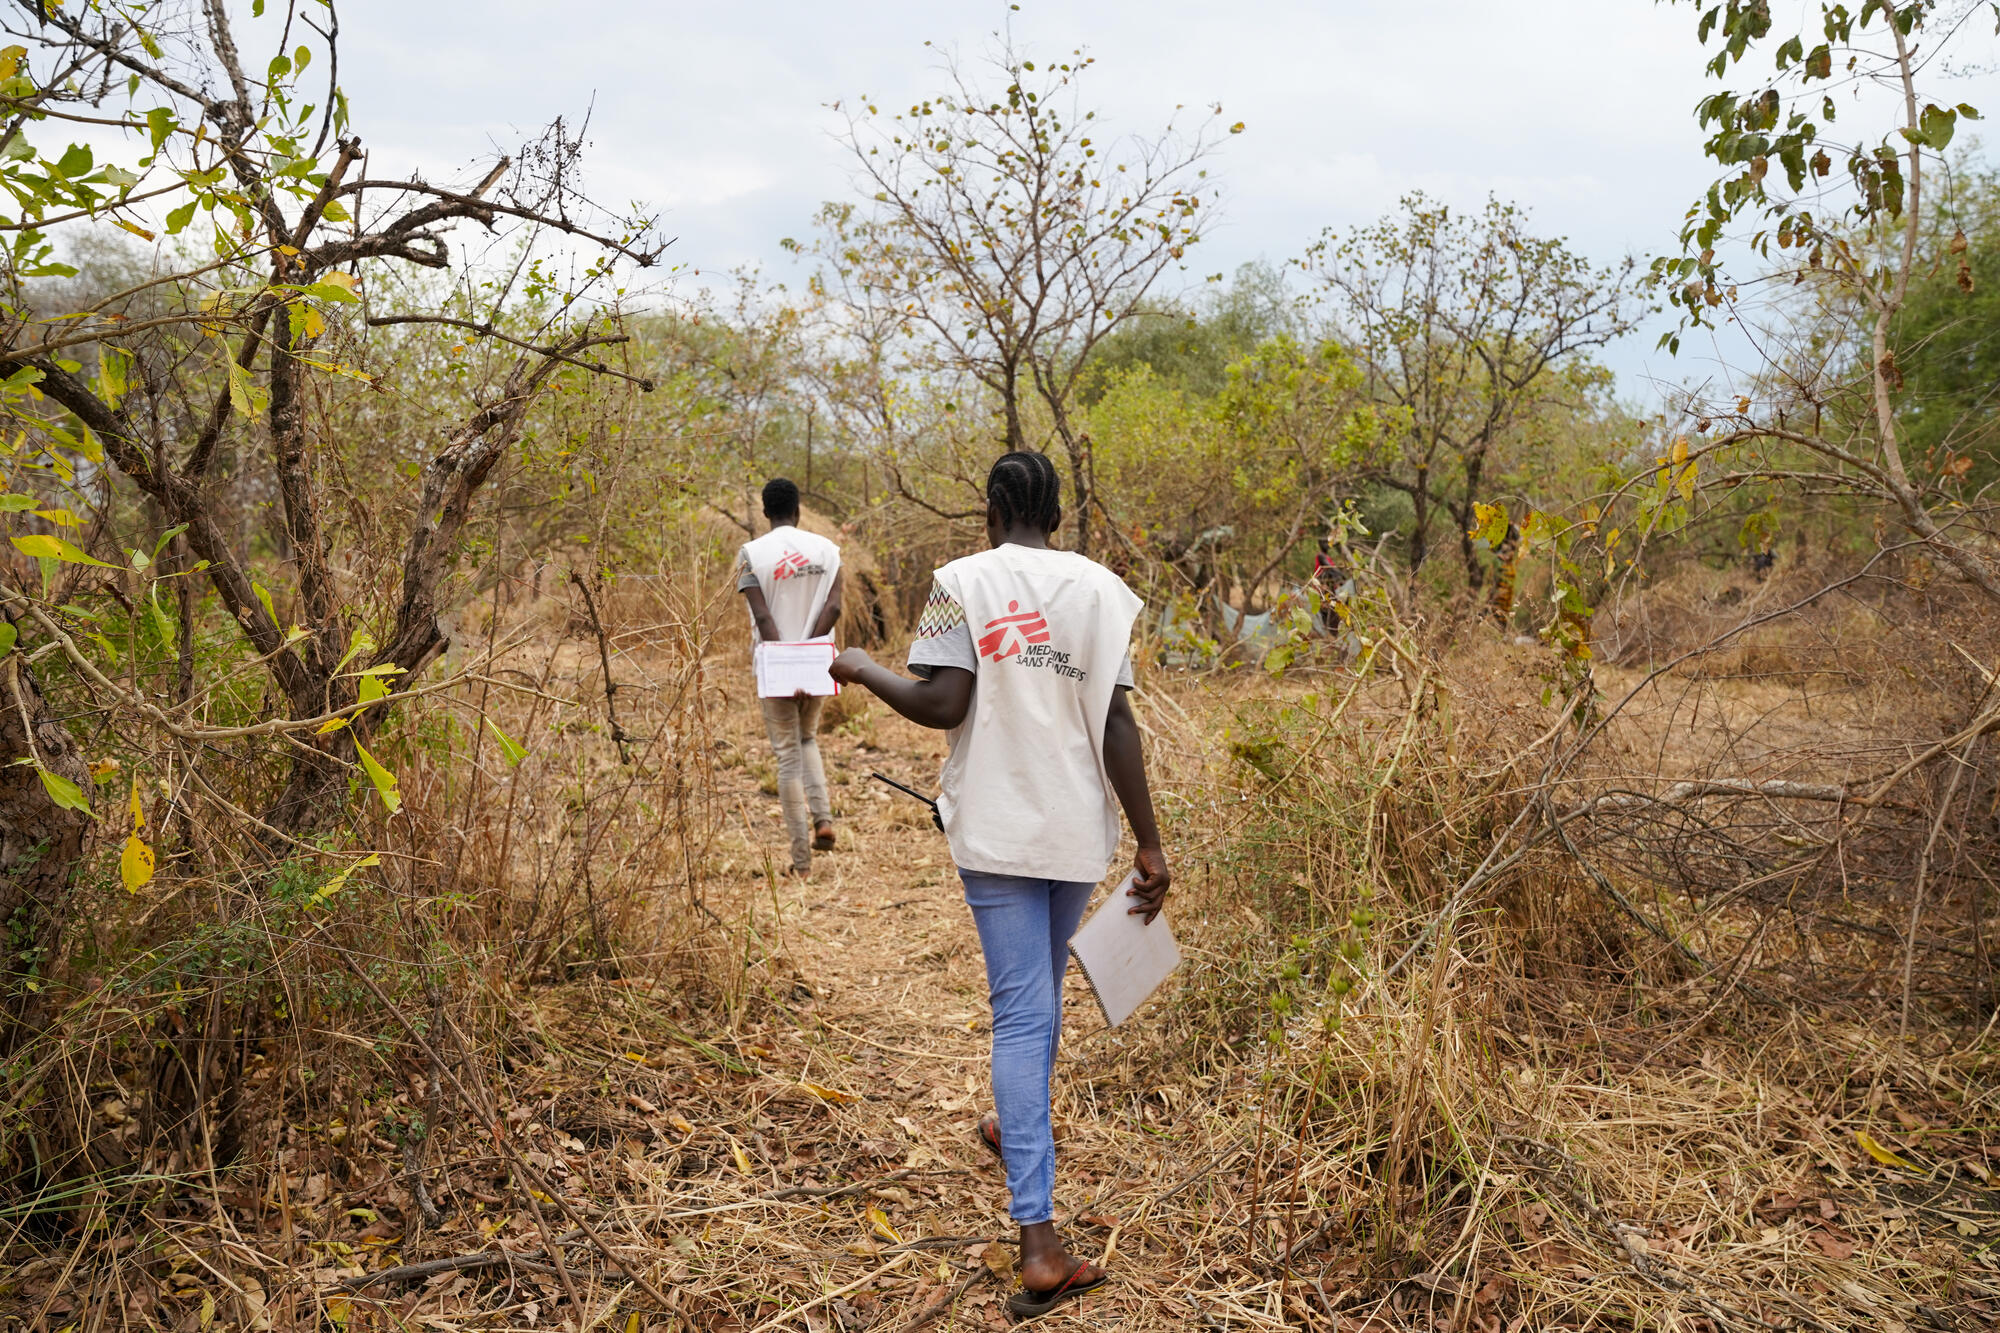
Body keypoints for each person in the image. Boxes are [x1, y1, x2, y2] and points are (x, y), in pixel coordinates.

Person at [829, 451, 1170, 1318]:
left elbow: (945, 704)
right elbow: (1118, 723)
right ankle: (1013, 1132)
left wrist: (866, 669)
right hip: (1074, 832)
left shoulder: (960, 581)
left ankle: (1039, 1244)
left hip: (998, 831)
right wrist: (1151, 843)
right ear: (1056, 510)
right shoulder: (1100, 591)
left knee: (1024, 1013)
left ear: (991, 509)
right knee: (1040, 1002)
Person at [736, 478, 843, 876]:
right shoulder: (829, 551)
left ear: (766, 512)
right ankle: (825, 820)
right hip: (819, 664)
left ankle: (801, 863)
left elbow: (763, 616)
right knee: (808, 737)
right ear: (798, 510)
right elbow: (833, 608)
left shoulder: (751, 554)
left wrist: (786, 666)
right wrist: (808, 660)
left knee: (787, 756)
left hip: (774, 668)